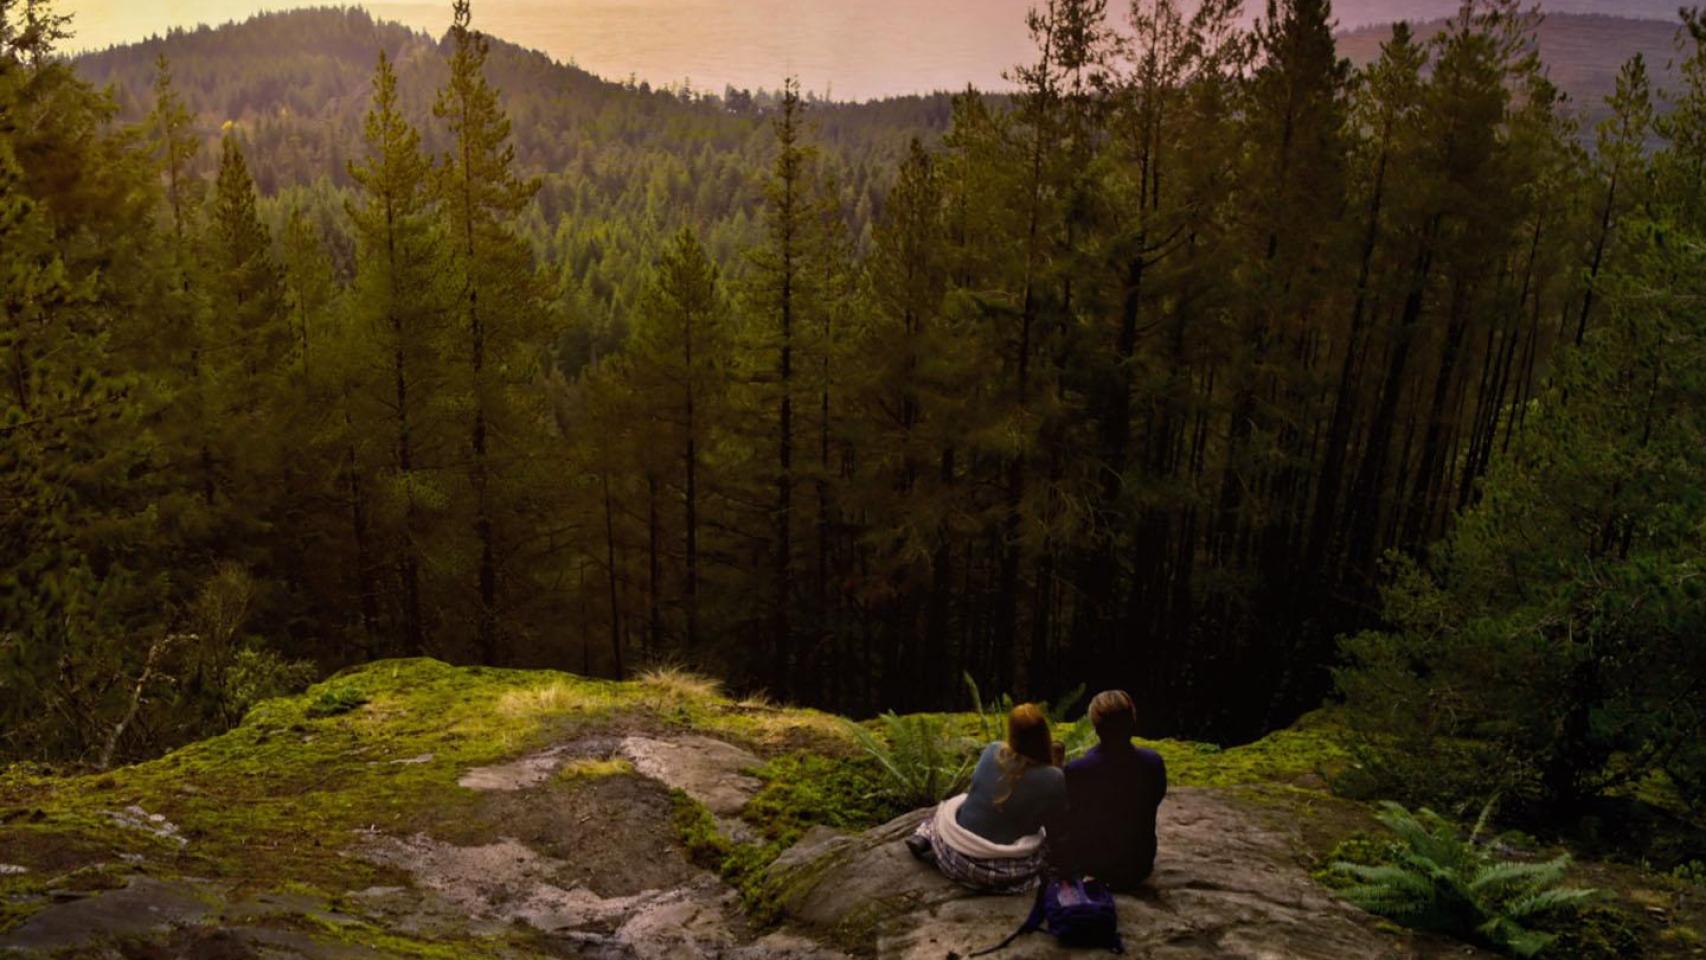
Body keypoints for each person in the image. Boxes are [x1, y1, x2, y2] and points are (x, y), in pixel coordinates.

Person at [906, 703, 1068, 893]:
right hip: (999, 869)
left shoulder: (993, 749)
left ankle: (924, 836)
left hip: (954, 853)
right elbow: (1055, 822)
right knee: (1041, 842)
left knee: (951, 806)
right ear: (1044, 734)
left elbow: (980, 786)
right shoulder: (1054, 778)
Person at [1063, 689, 1167, 890]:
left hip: (1092, 865)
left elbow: (1068, 816)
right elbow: (1155, 798)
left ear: (1095, 725)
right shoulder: (1153, 763)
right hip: (1138, 864)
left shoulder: (1079, 769)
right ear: (1132, 720)